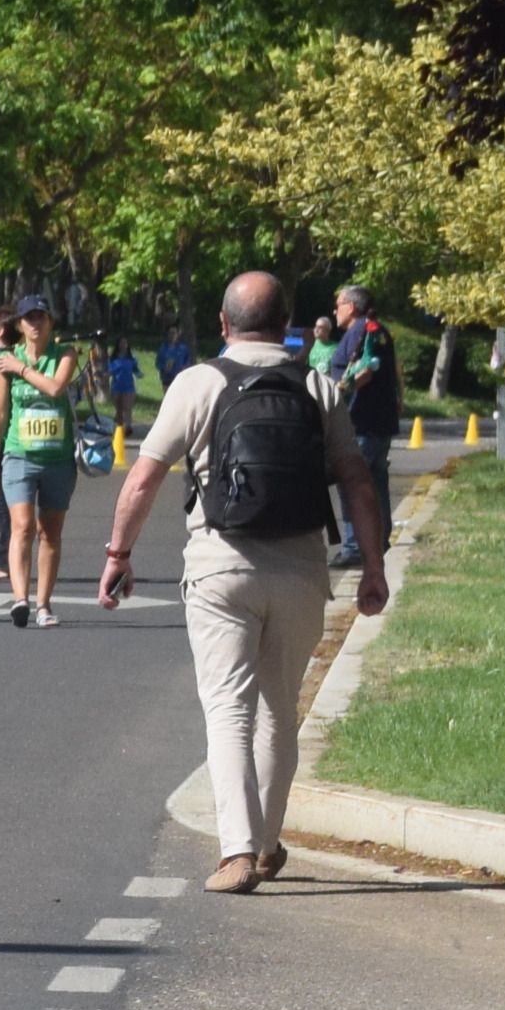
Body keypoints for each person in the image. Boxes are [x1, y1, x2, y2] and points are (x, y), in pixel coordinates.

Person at [97, 271, 392, 893]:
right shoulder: (318, 385)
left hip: (220, 564)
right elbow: (358, 482)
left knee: (227, 708)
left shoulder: (197, 383)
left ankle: (236, 851)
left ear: (224, 325)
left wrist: (118, 554)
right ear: (287, 325)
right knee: (278, 711)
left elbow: (144, 479)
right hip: (301, 567)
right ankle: (264, 846)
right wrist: (372, 566)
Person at [0, 299, 85, 627]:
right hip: (19, 455)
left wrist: (23, 371)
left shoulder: (66, 354)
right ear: (19, 325)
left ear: (50, 322)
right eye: (29, 318)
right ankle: (20, 599)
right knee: (23, 526)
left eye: (41, 317)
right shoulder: (6, 361)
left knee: (50, 532)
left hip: (58, 459)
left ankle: (43, 604)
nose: (35, 324)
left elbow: (56, 388)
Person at [330, 284, 403, 570]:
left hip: (361, 423)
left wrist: (338, 389)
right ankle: (379, 538)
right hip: (378, 422)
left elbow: (363, 372)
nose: (334, 311)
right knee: (375, 482)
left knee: (353, 485)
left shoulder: (363, 331)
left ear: (351, 305)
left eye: (338, 304)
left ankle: (355, 546)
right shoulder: (376, 329)